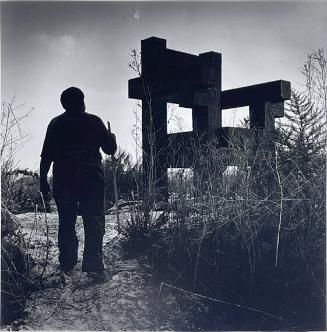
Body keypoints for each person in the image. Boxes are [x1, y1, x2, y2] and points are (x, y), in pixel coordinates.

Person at [39, 87, 117, 280]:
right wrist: (112, 136)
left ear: (64, 104)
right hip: (91, 178)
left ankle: (67, 261)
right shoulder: (94, 121)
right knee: (93, 220)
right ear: (82, 101)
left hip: (64, 179)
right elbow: (110, 149)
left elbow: (46, 157)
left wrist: (43, 182)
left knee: (66, 221)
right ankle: (93, 265)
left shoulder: (55, 124)